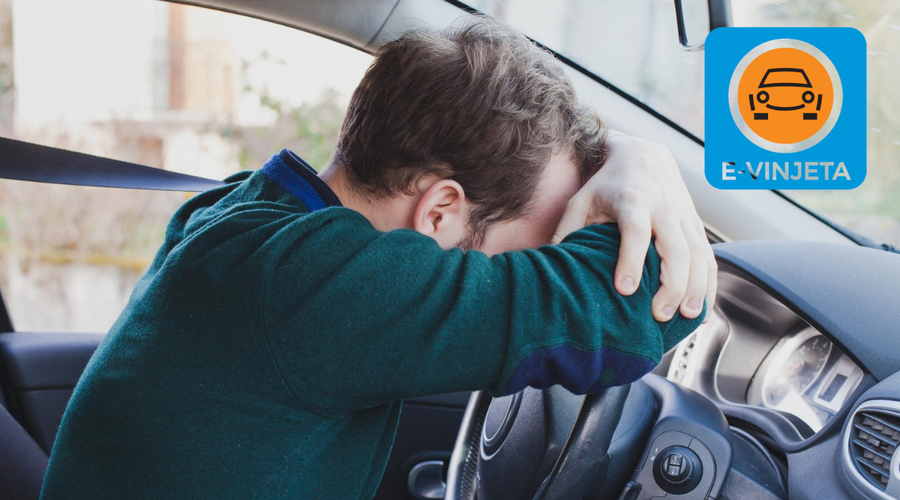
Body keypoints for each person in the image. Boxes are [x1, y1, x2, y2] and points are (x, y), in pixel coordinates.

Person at [40, 16, 715, 500]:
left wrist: (627, 154)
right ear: (441, 211)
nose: (551, 263)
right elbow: (641, 311)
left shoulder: (248, 216)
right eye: (543, 246)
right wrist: (645, 162)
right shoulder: (319, 287)